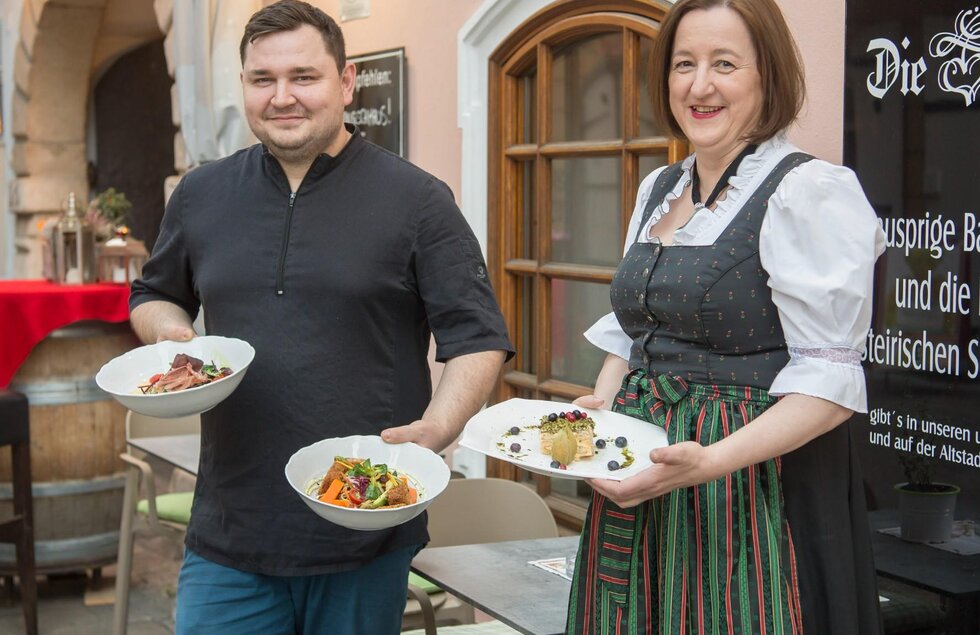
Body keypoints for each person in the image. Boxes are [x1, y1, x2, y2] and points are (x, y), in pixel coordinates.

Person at [128, 1, 512, 632]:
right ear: (245, 86)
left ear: (346, 81)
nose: (282, 97)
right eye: (262, 80)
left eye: (303, 76)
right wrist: (173, 336)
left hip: (363, 527)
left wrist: (438, 430)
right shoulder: (200, 194)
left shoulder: (418, 200)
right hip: (230, 529)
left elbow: (478, 337)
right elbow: (153, 294)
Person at [566, 0, 885, 632]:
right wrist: (602, 407)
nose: (699, 85)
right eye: (684, 64)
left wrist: (709, 462)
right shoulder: (660, 187)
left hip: (749, 491)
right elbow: (636, 330)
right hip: (646, 472)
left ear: (767, 75)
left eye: (724, 64)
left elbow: (830, 386)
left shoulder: (809, 191)